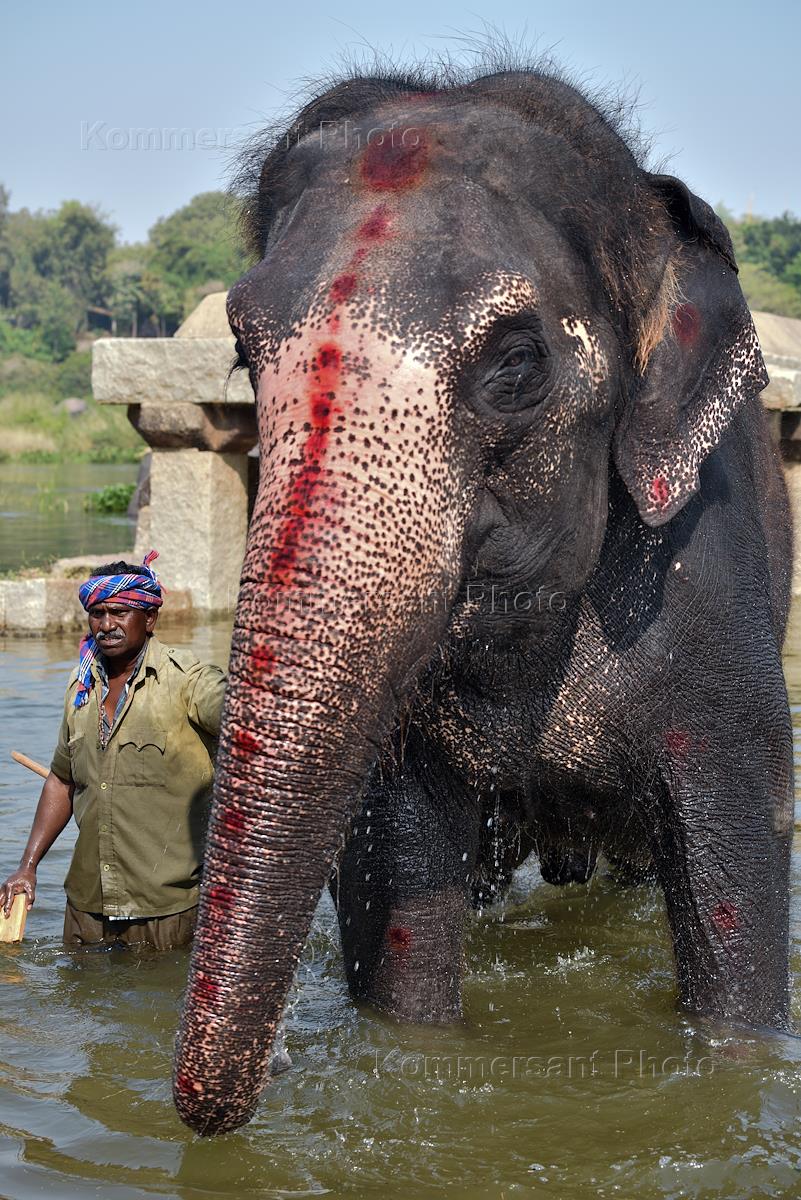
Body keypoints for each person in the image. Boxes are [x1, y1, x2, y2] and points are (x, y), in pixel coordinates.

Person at [0, 551, 227, 949]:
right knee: (78, 989)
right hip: (88, 903)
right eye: (97, 613)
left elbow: (246, 723)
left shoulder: (189, 681)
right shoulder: (81, 686)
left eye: (120, 613)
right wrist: (27, 866)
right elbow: (62, 780)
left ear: (150, 618)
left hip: (166, 906)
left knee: (161, 988)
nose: (106, 625)